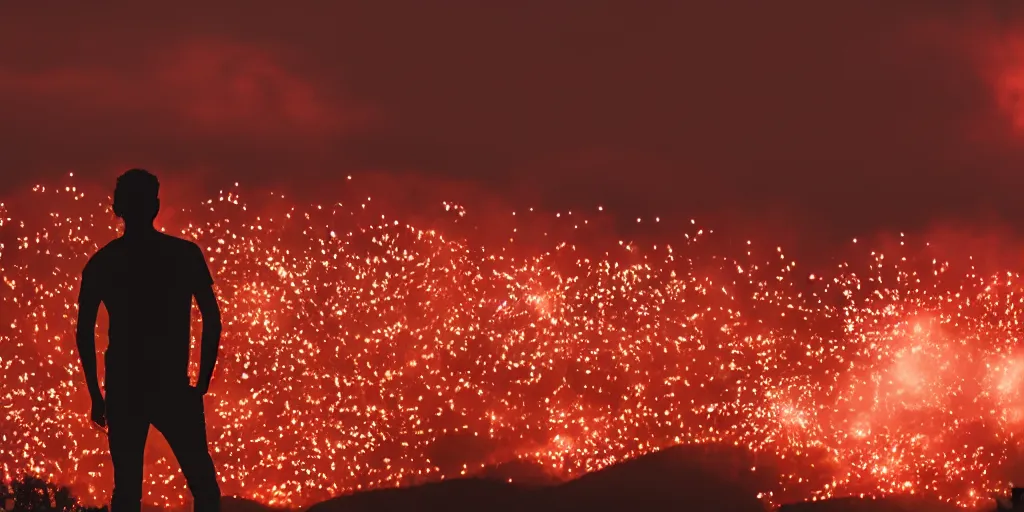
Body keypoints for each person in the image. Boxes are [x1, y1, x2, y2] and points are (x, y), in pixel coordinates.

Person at [75, 169, 222, 511]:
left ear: (119, 208)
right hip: (172, 385)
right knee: (204, 487)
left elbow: (83, 331)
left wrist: (96, 395)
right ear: (155, 206)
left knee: (126, 493)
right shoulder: (184, 255)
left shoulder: (102, 262)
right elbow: (211, 318)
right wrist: (201, 381)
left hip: (124, 390)